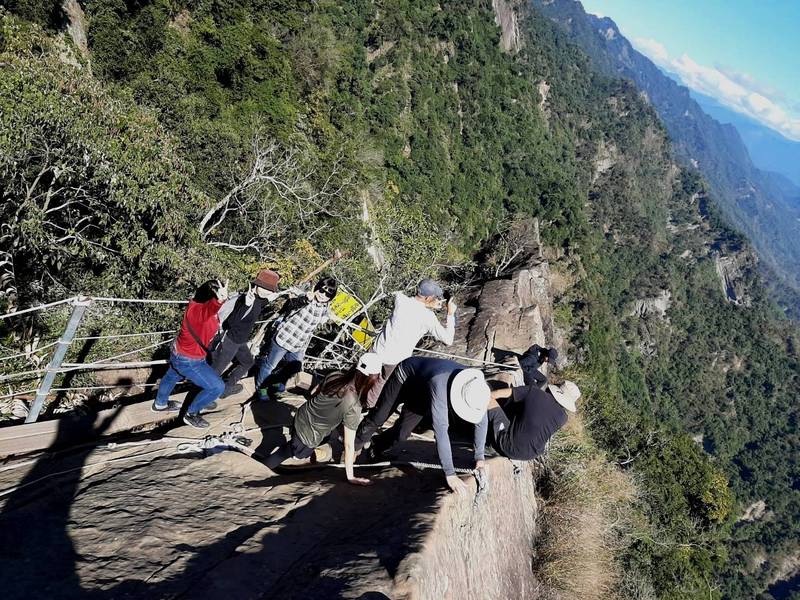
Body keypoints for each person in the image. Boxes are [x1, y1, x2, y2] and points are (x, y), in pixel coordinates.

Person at [357, 356, 490, 494]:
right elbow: (441, 429)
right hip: (405, 376)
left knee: (402, 433)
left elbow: (482, 422)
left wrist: (479, 458)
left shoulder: (478, 390)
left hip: (423, 391)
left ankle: (376, 447)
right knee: (379, 417)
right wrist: (450, 473)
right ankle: (351, 448)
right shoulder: (440, 384)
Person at [263, 353, 382, 485]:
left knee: (326, 436)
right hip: (308, 436)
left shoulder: (335, 375)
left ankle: (298, 449)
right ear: (371, 379)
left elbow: (314, 393)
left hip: (301, 416)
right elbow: (349, 445)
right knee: (289, 452)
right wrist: (351, 477)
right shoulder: (354, 405)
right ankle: (265, 466)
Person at [365, 278, 457, 407]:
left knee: (364, 376)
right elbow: (448, 340)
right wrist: (450, 314)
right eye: (435, 297)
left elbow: (412, 304)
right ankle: (369, 407)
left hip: (377, 349)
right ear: (428, 297)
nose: (437, 299)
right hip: (395, 359)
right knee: (383, 383)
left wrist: (428, 305)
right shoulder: (428, 317)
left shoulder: (400, 300)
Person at [152, 279, 229, 429]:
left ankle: (160, 404)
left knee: (172, 376)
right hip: (190, 359)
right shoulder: (200, 312)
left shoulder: (194, 305)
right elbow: (209, 310)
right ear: (210, 298)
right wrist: (220, 300)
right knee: (216, 387)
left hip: (179, 351)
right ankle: (191, 413)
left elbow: (209, 311)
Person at [254, 277, 337, 400]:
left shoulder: (325, 308)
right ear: (317, 288)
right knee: (270, 365)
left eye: (328, 294)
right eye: (321, 290)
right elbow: (292, 305)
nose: (323, 295)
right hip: (284, 338)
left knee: (295, 367)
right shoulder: (306, 298)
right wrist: (304, 299)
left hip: (298, 344)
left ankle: (276, 382)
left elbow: (323, 317)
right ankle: (261, 389)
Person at [211, 269, 281, 398]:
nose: (267, 291)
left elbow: (261, 303)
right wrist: (245, 305)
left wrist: (272, 297)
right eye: (264, 287)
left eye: (270, 289)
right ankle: (206, 398)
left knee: (247, 363)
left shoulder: (260, 299)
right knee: (216, 372)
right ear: (256, 285)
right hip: (229, 340)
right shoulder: (244, 300)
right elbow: (231, 322)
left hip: (240, 341)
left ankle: (227, 388)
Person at [487, 380, 580, 461]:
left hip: (509, 445)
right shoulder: (563, 418)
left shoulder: (534, 392)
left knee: (488, 399)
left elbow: (497, 393)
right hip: (530, 454)